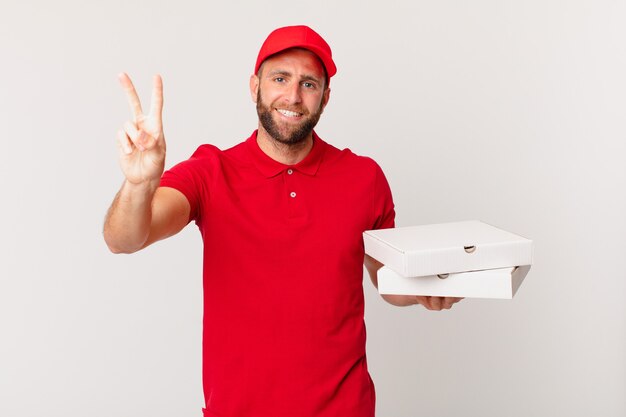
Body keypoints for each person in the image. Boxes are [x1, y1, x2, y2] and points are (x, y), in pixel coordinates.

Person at [104, 25, 462, 417]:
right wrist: (139, 184)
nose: (293, 96)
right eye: (280, 79)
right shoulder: (210, 171)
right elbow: (125, 238)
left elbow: (387, 280)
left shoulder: (364, 178)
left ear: (326, 97)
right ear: (254, 85)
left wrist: (425, 289)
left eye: (309, 84)